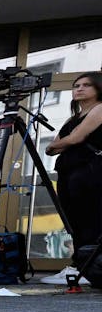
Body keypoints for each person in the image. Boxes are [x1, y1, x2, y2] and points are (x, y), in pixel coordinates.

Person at [42, 72, 102, 285]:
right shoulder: (72, 118)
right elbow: (51, 148)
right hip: (68, 171)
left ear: (98, 88)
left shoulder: (99, 109)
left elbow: (77, 137)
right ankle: (78, 266)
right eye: (76, 85)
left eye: (86, 85)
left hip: (88, 171)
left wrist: (62, 143)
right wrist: (60, 143)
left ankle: (88, 269)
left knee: (89, 221)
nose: (79, 88)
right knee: (74, 221)